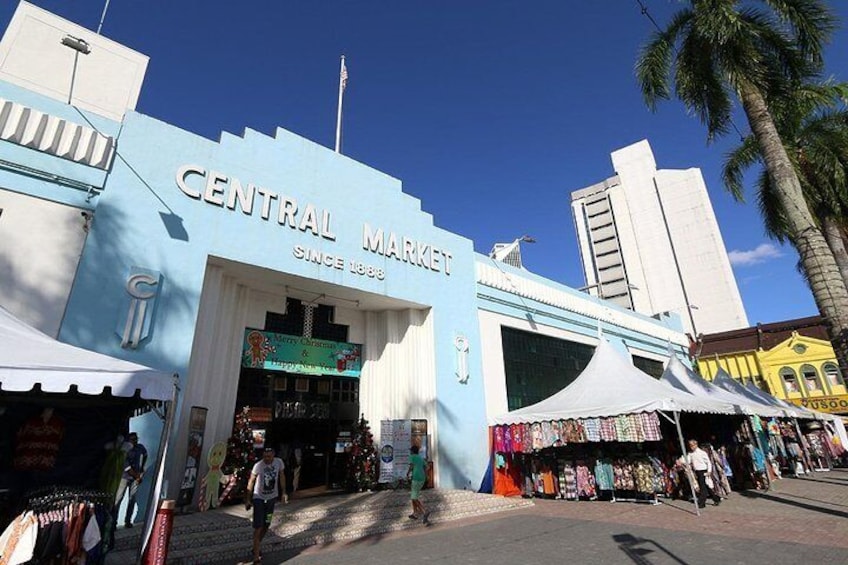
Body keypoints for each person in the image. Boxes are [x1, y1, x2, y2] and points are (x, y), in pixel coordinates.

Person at [245, 447, 285, 563]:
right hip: (259, 498)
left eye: (269, 456)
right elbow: (251, 481)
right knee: (259, 526)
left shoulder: (279, 462)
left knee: (267, 523)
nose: (266, 459)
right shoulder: (258, 465)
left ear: (273, 455)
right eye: (265, 456)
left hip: (271, 498)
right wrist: (248, 499)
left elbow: (282, 476)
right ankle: (256, 557)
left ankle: (255, 547)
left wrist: (284, 492)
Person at [114, 432, 147, 527]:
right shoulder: (124, 450)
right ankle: (114, 522)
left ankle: (127, 521)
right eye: (133, 439)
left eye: (136, 439)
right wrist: (138, 476)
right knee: (118, 499)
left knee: (132, 499)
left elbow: (145, 455)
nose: (135, 441)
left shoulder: (140, 448)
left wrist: (142, 468)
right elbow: (127, 468)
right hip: (124, 477)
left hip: (135, 476)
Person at [687, 439, 721, 508]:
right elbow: (688, 460)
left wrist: (709, 471)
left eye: (692, 445)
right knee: (706, 486)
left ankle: (701, 502)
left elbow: (708, 462)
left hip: (703, 471)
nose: (691, 447)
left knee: (703, 488)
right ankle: (716, 498)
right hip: (697, 472)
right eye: (690, 446)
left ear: (696, 445)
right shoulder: (691, 454)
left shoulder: (702, 453)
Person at [406, 445, 430, 525]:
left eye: (411, 451)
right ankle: (415, 513)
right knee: (414, 496)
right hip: (422, 478)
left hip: (416, 478)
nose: (410, 452)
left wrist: (408, 474)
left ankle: (424, 511)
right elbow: (427, 467)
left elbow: (411, 466)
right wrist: (425, 474)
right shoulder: (420, 458)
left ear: (412, 451)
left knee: (414, 497)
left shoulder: (412, 457)